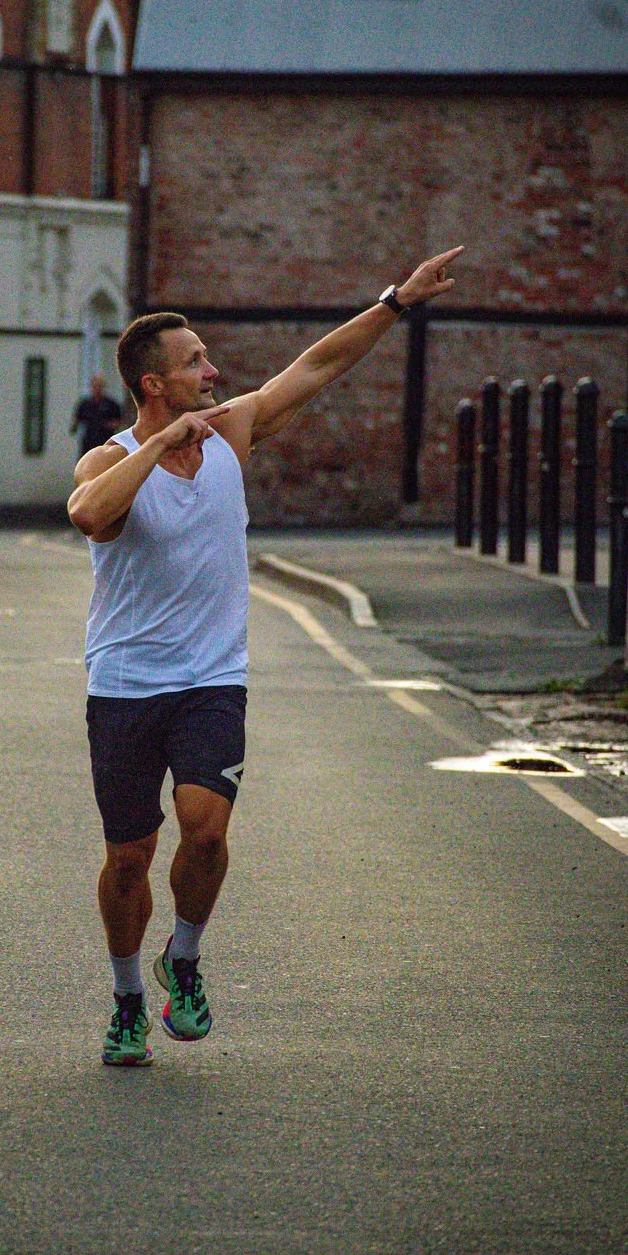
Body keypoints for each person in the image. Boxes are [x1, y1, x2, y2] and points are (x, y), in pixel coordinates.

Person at [68, 246, 464, 1067]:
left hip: (213, 678)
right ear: (155, 385)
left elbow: (317, 365)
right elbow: (88, 514)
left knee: (204, 833)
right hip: (125, 684)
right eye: (195, 363)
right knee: (128, 856)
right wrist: (157, 445)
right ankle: (126, 996)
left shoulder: (230, 434)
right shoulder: (109, 459)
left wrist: (396, 300)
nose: (213, 373)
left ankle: (184, 957)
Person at [70, 374, 124, 456]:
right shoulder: (84, 404)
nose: (97, 389)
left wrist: (109, 425)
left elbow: (119, 422)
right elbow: (76, 422)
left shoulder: (112, 404)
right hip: (89, 443)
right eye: (95, 386)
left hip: (105, 443)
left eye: (99, 386)